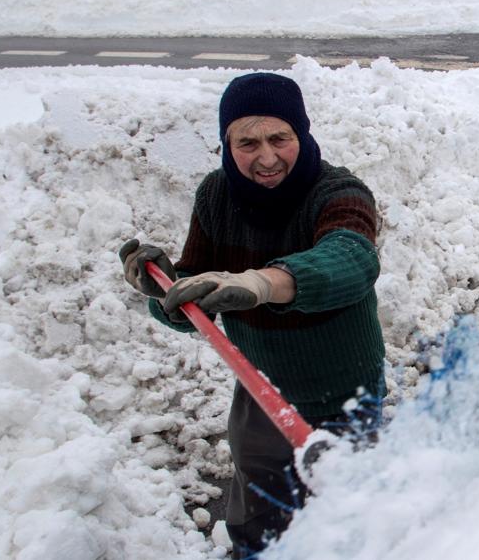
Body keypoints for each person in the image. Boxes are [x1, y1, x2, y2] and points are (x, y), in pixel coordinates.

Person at [118, 72, 385, 557]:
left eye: (279, 138)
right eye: (248, 142)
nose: (266, 157)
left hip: (344, 393)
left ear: (301, 135)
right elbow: (193, 306)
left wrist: (261, 283)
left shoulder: (339, 192)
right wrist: (164, 291)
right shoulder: (216, 196)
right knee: (259, 521)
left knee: (351, 527)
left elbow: (352, 260)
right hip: (260, 389)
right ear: (226, 142)